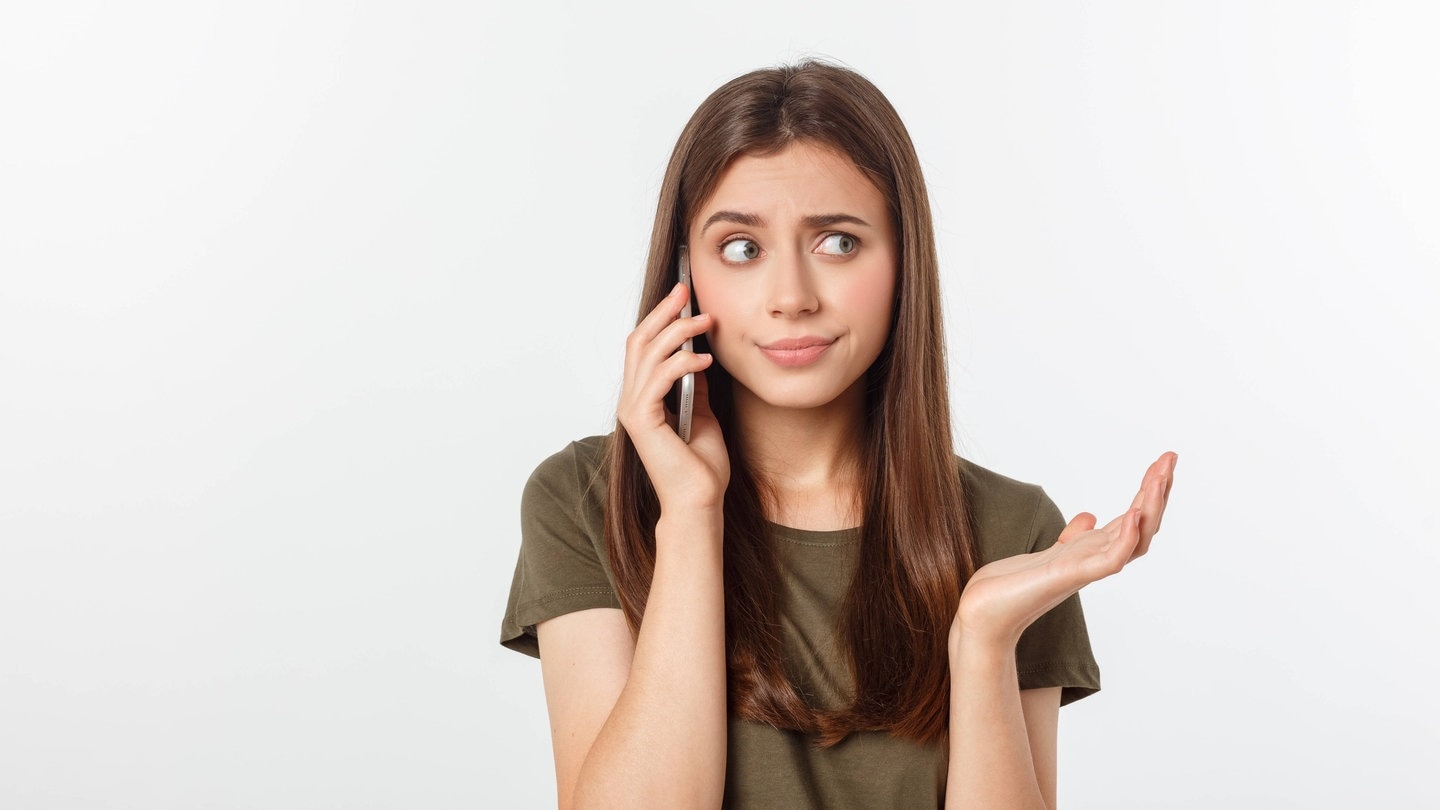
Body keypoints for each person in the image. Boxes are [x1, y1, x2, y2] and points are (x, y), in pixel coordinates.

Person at [500, 60, 1176, 809]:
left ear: (902, 261)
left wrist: (981, 641)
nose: (791, 297)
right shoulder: (587, 502)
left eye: (839, 243)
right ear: (683, 273)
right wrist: (691, 514)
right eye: (742, 249)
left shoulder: (1010, 531)